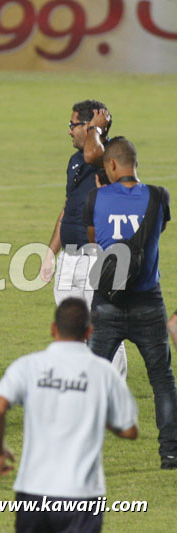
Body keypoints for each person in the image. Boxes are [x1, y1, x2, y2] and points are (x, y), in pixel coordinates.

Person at [0, 298, 138, 532]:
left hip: (33, 490)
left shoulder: (28, 366)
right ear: (89, 331)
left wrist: (0, 452)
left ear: (53, 329)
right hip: (83, 495)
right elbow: (130, 431)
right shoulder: (104, 373)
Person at [83, 137, 177, 469]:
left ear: (110, 165)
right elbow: (155, 234)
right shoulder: (158, 196)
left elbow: (95, 240)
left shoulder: (96, 197)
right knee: (161, 379)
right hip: (148, 301)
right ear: (133, 163)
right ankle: (170, 454)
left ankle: (80, 453)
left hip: (107, 302)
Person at [40, 99, 127, 378]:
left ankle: (115, 391)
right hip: (70, 258)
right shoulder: (74, 160)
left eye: (73, 124)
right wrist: (50, 253)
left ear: (90, 126)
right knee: (71, 330)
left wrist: (96, 130)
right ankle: (80, 387)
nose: (69, 131)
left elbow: (93, 155)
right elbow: (68, 207)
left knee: (106, 330)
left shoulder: (113, 153)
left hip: (99, 257)